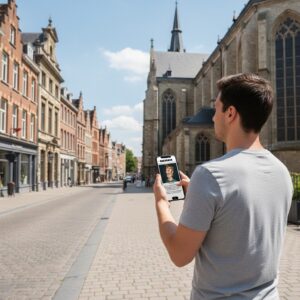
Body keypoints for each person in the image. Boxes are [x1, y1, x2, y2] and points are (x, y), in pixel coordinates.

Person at [153, 73, 293, 299]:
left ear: (230, 113)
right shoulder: (281, 172)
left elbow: (180, 254)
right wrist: (200, 195)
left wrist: (161, 203)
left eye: (216, 109)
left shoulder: (210, 175)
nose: (213, 117)